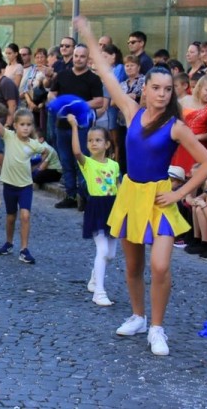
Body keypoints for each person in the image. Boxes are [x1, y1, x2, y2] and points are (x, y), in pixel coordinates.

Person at [75, 16, 207, 357]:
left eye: (168, 90)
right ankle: (138, 316)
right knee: (134, 265)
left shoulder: (176, 127)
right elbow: (107, 75)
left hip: (160, 197)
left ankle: (157, 327)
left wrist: (181, 194)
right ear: (146, 88)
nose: (162, 94)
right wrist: (90, 35)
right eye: (156, 88)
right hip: (130, 194)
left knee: (161, 266)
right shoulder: (131, 110)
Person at [68, 119, 120, 306]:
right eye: (90, 140)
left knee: (111, 254)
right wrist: (75, 127)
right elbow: (76, 152)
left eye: (98, 140)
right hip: (96, 208)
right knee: (103, 249)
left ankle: (94, 278)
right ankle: (99, 292)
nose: (93, 143)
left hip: (113, 208)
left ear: (107, 144)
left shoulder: (114, 166)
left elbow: (118, 187)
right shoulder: (87, 163)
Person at [0, 107, 45, 264]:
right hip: (10, 185)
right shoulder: (9, 137)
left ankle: (24, 249)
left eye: (29, 124)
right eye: (22, 124)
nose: (25, 127)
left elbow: (46, 152)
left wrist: (36, 167)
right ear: (16, 125)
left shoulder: (34, 145)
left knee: (25, 216)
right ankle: (9, 243)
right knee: (11, 217)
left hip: (25, 186)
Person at [49, 44, 105, 209]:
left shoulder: (93, 78)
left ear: (88, 59)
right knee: (65, 161)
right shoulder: (62, 75)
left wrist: (78, 105)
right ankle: (71, 195)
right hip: (62, 125)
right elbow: (52, 93)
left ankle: (84, 196)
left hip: (82, 127)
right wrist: (56, 102)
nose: (78, 59)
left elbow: (99, 101)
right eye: (76, 56)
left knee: (81, 161)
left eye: (82, 56)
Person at [172, 74, 207, 175]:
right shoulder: (184, 100)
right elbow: (174, 121)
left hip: (200, 146)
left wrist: (195, 138)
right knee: (178, 177)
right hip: (182, 145)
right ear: (199, 87)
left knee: (198, 178)